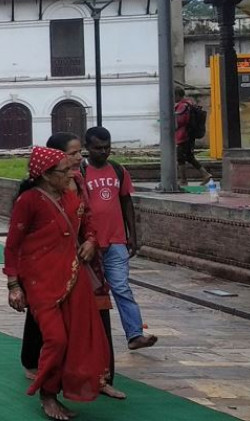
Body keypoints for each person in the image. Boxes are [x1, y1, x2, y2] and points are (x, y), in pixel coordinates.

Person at [5, 147, 110, 420]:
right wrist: (14, 286)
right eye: (65, 171)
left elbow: (87, 222)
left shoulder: (69, 198)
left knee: (78, 337)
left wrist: (91, 240)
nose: (71, 174)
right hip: (40, 280)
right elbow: (12, 246)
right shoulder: (28, 201)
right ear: (46, 175)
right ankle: (47, 394)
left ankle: (61, 388)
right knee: (56, 339)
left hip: (73, 277)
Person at [20, 133, 126, 400]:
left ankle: (101, 376)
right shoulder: (34, 195)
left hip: (84, 260)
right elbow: (20, 239)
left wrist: (91, 240)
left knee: (97, 317)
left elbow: (87, 216)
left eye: (80, 152)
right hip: (49, 263)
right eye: (73, 153)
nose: (79, 157)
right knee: (49, 321)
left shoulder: (78, 180)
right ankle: (43, 372)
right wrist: (15, 280)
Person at [84, 126, 158, 353]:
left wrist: (132, 235)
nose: (103, 152)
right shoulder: (80, 173)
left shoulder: (117, 170)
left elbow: (126, 201)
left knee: (122, 288)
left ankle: (135, 334)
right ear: (88, 148)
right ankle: (90, 338)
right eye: (98, 148)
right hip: (90, 244)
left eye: (107, 147)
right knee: (91, 293)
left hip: (116, 240)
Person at [174, 87, 212, 184]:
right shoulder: (188, 103)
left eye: (173, 96)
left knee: (180, 157)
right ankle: (205, 174)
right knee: (189, 157)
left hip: (183, 135)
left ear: (177, 95)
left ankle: (183, 180)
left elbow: (181, 121)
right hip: (188, 135)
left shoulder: (183, 106)